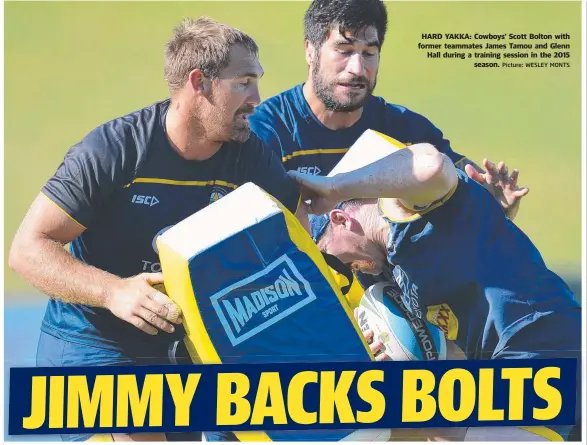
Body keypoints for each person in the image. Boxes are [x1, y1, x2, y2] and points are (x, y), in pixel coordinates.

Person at [8, 16, 305, 442]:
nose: (257, 99)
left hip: (187, 348)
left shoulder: (250, 156)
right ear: (199, 83)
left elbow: (295, 241)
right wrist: (114, 291)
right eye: (243, 83)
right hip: (94, 345)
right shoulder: (114, 151)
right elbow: (27, 249)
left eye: (256, 81)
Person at [289, 138, 582, 441]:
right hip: (512, 362)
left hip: (542, 346)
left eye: (327, 253)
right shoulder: (394, 270)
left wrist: (333, 187)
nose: (343, 268)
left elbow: (430, 165)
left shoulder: (403, 209)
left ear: (340, 220)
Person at [248, 0, 528, 309]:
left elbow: (454, 217)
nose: (357, 69)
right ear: (310, 51)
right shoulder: (265, 133)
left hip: (393, 308)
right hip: (303, 307)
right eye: (343, 50)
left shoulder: (406, 130)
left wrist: (490, 207)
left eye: (369, 53)